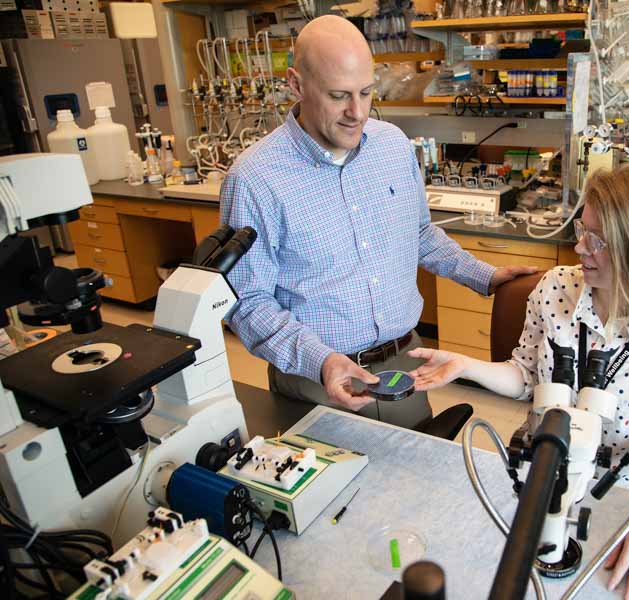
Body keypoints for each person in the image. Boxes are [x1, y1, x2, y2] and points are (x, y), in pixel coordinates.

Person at [408, 164, 629, 600]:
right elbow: (525, 378)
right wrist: (466, 366)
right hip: (541, 468)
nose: (579, 247)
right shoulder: (556, 289)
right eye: (582, 230)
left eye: (598, 241)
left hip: (619, 491)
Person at [220, 15, 536, 429]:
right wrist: (322, 361)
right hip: (317, 382)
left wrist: (486, 276)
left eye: (366, 93)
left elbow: (418, 233)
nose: (357, 112)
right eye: (338, 96)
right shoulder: (255, 178)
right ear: (296, 85)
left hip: (405, 366)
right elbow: (248, 301)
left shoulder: (391, 146)